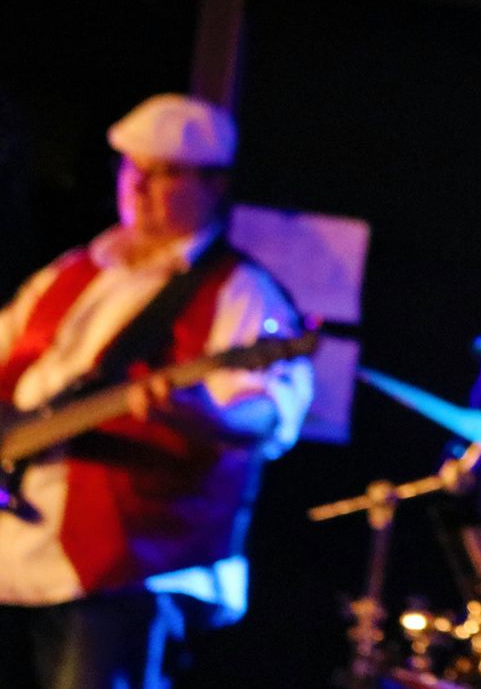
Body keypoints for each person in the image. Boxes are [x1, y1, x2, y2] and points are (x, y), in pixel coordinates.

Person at [0, 93, 313, 689]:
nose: (139, 186)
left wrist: (199, 415)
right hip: (14, 555)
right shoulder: (72, 270)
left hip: (131, 565)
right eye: (131, 168)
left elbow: (266, 415)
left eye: (165, 173)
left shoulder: (240, 290)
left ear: (215, 185)